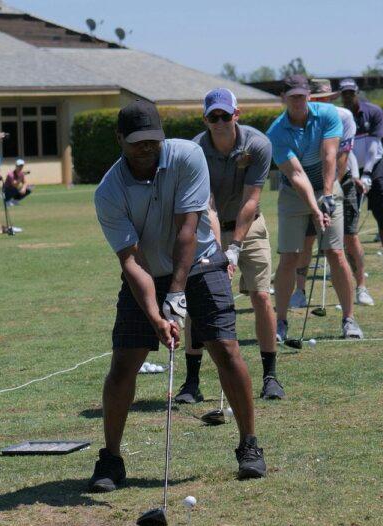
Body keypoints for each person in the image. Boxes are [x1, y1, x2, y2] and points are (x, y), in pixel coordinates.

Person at [90, 100, 266, 488]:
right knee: (124, 364)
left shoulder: (188, 156)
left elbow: (188, 229)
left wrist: (178, 292)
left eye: (153, 140)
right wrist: (156, 314)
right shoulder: (109, 192)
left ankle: (249, 445)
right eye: (137, 142)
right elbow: (131, 261)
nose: (146, 149)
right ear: (120, 139)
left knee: (225, 348)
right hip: (146, 272)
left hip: (201, 263)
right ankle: (111, 460)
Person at [178, 88, 284, 404]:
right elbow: (206, 203)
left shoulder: (258, 144)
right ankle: (191, 382)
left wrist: (235, 247)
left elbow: (252, 199)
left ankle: (270, 376)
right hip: (208, 226)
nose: (220, 121)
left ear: (237, 115)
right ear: (206, 119)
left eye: (226, 115)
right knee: (197, 301)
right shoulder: (195, 150)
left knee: (261, 296)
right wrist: (216, 249)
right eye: (214, 117)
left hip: (249, 225)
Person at [267, 75, 363, 342]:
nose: (298, 101)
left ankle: (349, 320)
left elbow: (330, 155)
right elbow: (296, 174)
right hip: (293, 192)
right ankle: (281, 322)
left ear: (309, 96)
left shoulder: (328, 114)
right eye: (293, 96)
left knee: (335, 252)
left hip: (327, 186)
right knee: (289, 257)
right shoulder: (276, 132)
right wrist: (314, 206)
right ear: (284, 98)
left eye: (302, 95)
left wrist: (328, 196)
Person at [293, 79, 373, 308]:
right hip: (308, 185)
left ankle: (361, 287)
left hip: (341, 182)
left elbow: (341, 159)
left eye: (325, 99)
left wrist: (327, 194)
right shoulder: (298, 118)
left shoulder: (344, 117)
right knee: (306, 240)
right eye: (316, 99)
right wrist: (313, 193)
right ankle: (299, 290)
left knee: (349, 237)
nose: (321, 103)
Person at [340, 77, 383, 278]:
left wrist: (367, 174)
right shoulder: (339, 117)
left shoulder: (373, 112)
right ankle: (356, 266)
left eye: (351, 93)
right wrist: (356, 176)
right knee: (349, 220)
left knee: (381, 213)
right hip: (351, 170)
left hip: (374, 167)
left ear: (356, 93)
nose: (348, 97)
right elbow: (346, 150)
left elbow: (375, 147)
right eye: (344, 93)